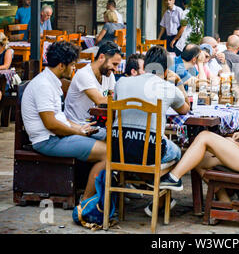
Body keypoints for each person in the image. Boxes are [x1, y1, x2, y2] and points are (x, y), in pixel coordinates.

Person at [150, 68, 239, 203]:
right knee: (195, 157)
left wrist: (232, 142)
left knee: (205, 136)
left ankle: (173, 178)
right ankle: (225, 200)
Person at [21, 41, 107, 202]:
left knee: (105, 137)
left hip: (56, 137)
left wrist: (80, 127)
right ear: (62, 65)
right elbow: (51, 124)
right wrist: (78, 131)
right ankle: (87, 201)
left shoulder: (50, 81)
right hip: (47, 141)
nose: (74, 68)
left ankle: (101, 191)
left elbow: (59, 118)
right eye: (72, 65)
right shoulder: (43, 85)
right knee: (108, 153)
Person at [112, 46, 190, 213]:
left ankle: (158, 197)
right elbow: (185, 109)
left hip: (118, 149)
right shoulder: (168, 88)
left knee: (153, 144)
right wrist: (178, 81)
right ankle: (160, 199)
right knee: (177, 151)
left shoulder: (121, 82)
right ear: (166, 69)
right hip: (148, 153)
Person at [64, 42, 122, 140]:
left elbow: (113, 96)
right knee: (118, 139)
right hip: (79, 127)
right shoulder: (84, 74)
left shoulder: (109, 75)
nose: (116, 69)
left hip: (96, 125)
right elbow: (99, 100)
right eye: (114, 64)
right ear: (101, 57)